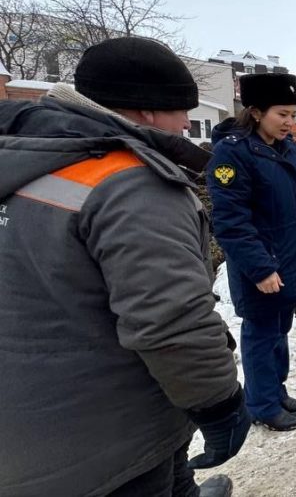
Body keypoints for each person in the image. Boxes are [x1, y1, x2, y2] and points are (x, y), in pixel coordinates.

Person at [0, 37, 248, 497]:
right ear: (149, 111)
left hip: (33, 420)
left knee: (172, 473)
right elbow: (172, 321)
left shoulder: (28, 159)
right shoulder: (131, 185)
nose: (185, 124)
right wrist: (220, 406)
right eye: (182, 111)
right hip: (103, 439)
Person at [208, 73, 296, 432]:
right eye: (283, 115)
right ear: (256, 112)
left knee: (281, 327)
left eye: (294, 114)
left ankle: (276, 390)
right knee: (261, 332)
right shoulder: (232, 155)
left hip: (288, 255)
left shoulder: (284, 148)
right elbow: (230, 221)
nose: (292, 123)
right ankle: (261, 404)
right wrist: (260, 269)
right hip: (261, 263)